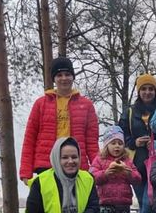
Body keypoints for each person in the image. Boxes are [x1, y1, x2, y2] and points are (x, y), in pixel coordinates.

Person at [20, 57, 99, 185]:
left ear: (73, 77)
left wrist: (97, 168)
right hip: (46, 164)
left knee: (76, 204)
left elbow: (91, 142)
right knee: (50, 204)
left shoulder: (87, 105)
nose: (64, 78)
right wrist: (25, 171)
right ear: (54, 79)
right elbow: (29, 138)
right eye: (59, 75)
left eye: (67, 74)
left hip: (75, 164)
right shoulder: (41, 104)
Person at [119, 73, 156, 213]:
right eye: (144, 89)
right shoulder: (129, 112)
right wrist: (133, 142)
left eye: (151, 89)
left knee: (149, 202)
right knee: (144, 204)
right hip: (136, 163)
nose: (148, 92)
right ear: (138, 91)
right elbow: (120, 135)